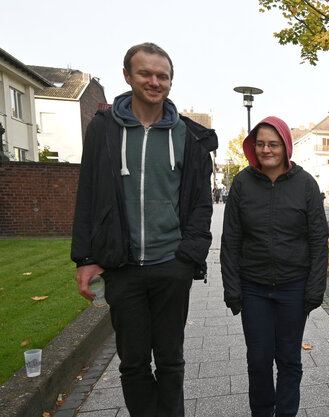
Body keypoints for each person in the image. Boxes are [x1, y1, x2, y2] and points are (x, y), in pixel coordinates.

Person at [71, 42, 216, 417]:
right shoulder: (103, 129)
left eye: (162, 75)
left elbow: (202, 204)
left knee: (170, 361)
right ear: (127, 76)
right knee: (133, 364)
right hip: (122, 267)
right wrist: (86, 257)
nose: (154, 81)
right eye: (145, 73)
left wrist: (189, 256)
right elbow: (88, 193)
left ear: (171, 81)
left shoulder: (190, 136)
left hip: (172, 264)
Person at [221, 116, 329, 417]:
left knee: (289, 360)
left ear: (285, 146)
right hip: (253, 287)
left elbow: (320, 239)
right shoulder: (242, 183)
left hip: (293, 288)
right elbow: (230, 239)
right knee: (257, 359)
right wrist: (233, 289)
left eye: (274, 144)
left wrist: (314, 289)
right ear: (253, 147)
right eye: (261, 144)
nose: (267, 150)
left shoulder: (305, 184)